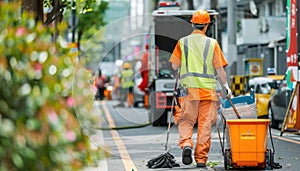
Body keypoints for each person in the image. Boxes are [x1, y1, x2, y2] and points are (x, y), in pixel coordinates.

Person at [169, 9, 232, 168]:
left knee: (186, 121)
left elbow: (175, 65)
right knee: (204, 126)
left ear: (192, 24)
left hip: (188, 92)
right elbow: (220, 70)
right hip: (208, 92)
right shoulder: (213, 43)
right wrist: (226, 87)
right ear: (206, 26)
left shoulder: (182, 42)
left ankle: (186, 145)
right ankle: (202, 159)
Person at [138, 44, 149, 108]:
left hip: (147, 74)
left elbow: (143, 65)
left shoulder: (145, 55)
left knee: (146, 89)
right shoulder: (156, 53)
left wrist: (142, 73)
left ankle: (147, 103)